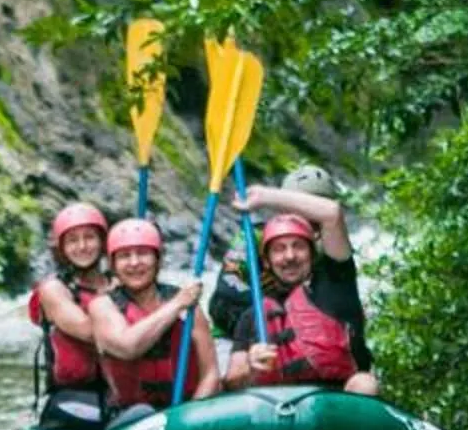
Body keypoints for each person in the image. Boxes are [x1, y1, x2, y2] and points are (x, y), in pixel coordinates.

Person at [210, 175, 380, 395]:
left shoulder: (336, 285)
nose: (289, 256)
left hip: (336, 401)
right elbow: (232, 381)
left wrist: (264, 196)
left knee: (365, 384)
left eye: (298, 246)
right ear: (268, 262)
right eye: (279, 249)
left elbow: (332, 214)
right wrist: (250, 367)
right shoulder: (253, 315)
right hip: (275, 407)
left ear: (312, 252)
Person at [87, 217, 217, 414]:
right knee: (141, 413)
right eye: (124, 256)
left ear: (158, 259)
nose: (134, 262)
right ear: (113, 264)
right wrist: (176, 305)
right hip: (129, 420)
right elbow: (128, 347)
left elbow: (211, 374)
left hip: (186, 414)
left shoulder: (188, 305)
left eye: (143, 253)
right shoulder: (102, 306)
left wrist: (190, 417)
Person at [26, 202, 112, 430]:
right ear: (61, 248)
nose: (82, 246)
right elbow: (91, 332)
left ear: (102, 242)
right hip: (75, 397)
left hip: (119, 389)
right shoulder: (54, 290)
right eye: (73, 240)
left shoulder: (119, 281)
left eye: (89, 237)